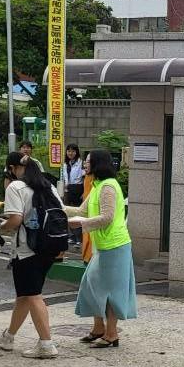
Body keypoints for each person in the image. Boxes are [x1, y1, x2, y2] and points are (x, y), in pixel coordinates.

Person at [0, 152, 64, 358]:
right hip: (49, 245)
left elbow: (15, 220)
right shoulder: (47, 185)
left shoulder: (16, 187)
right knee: (24, 294)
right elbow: (62, 210)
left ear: (13, 169)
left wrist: (2, 226)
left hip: (26, 249)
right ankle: (8, 337)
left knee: (32, 295)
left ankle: (46, 344)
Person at [65, 149, 136, 348]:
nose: (85, 164)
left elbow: (107, 217)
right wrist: (56, 207)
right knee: (91, 285)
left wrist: (82, 223)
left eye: (87, 162)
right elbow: (80, 211)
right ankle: (98, 328)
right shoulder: (97, 186)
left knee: (111, 291)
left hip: (115, 246)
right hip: (103, 247)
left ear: (97, 164)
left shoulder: (108, 187)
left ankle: (111, 334)